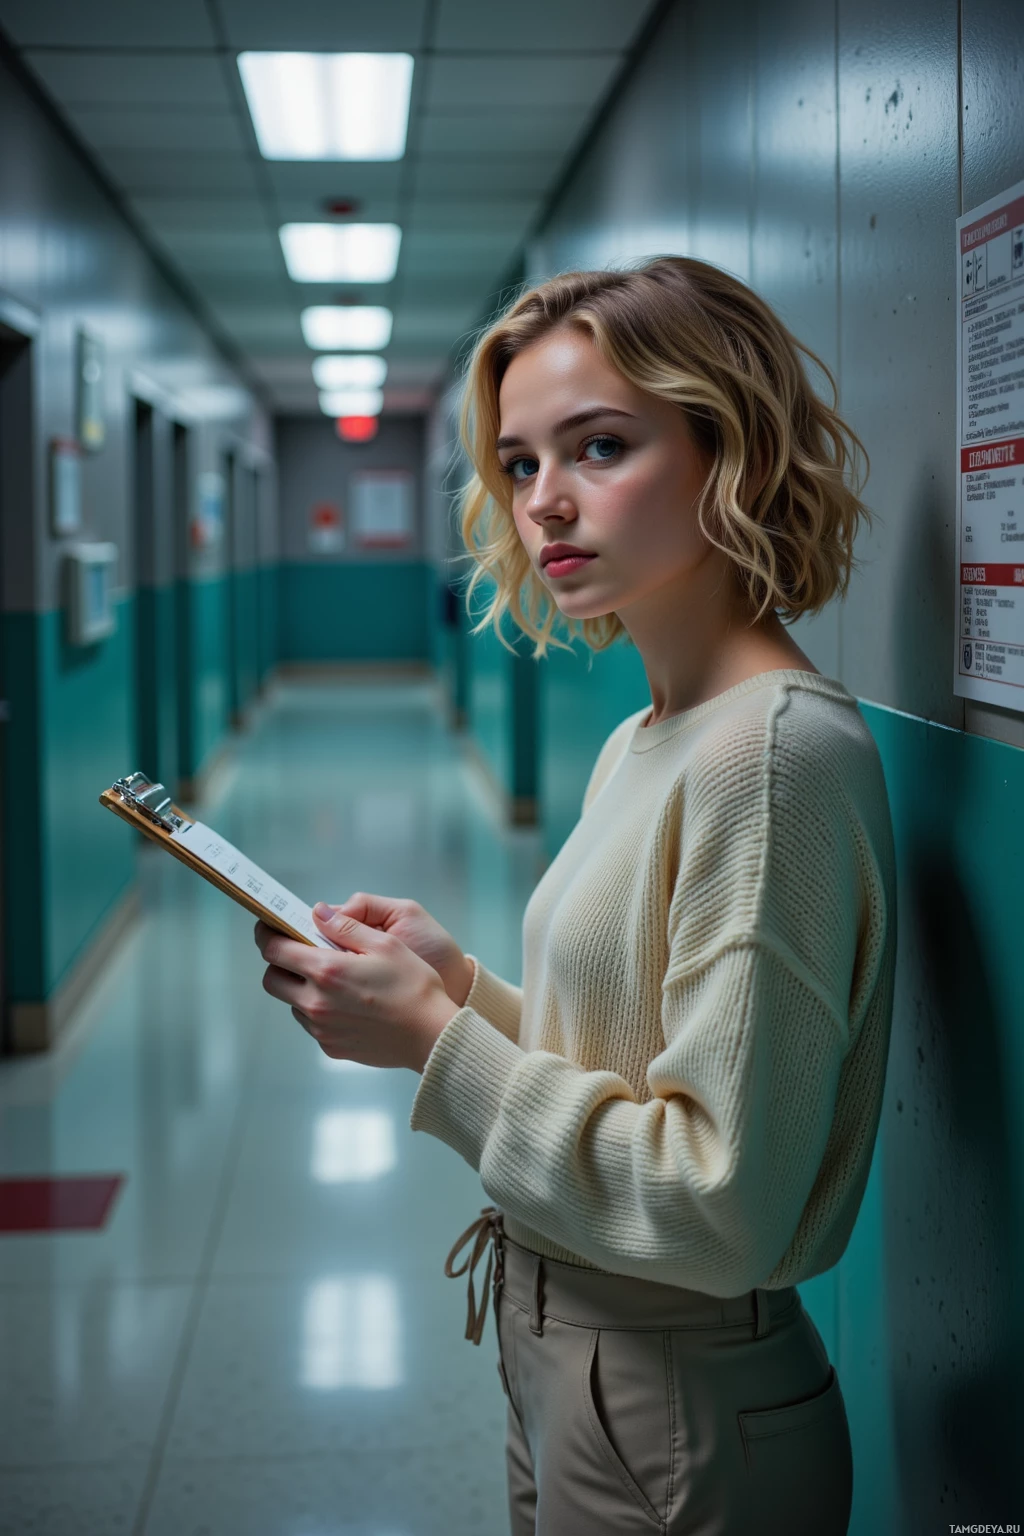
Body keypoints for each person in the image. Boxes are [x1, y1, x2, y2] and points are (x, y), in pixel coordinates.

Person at [254, 256, 898, 1535]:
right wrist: (462, 991)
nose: (545, 502)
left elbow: (719, 1202)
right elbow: (630, 1055)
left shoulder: (765, 762)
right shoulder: (648, 735)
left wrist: (438, 1047)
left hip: (677, 1393)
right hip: (570, 1351)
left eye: (599, 446)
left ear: (735, 452)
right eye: (520, 463)